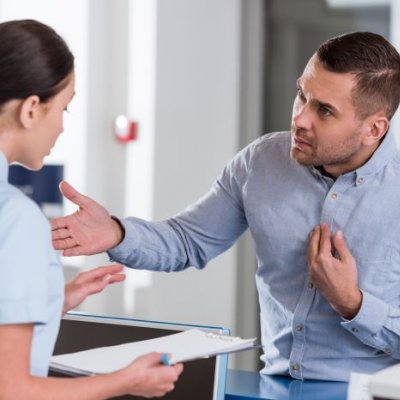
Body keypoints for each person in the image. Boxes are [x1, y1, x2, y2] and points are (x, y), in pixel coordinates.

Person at [51, 31, 400, 382]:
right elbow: (187, 241)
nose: (300, 118)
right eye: (302, 95)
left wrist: (352, 303)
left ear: (374, 128)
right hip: (273, 386)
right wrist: (116, 232)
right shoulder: (261, 162)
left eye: (324, 110)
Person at [0, 19, 182, 399]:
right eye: (64, 109)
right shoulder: (17, 217)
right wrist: (127, 380)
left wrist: (51, 302)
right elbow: (12, 389)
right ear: (32, 109)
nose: (62, 128)